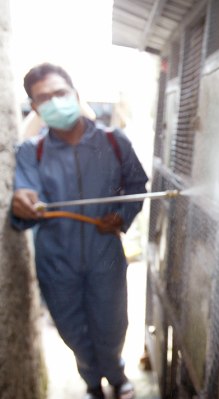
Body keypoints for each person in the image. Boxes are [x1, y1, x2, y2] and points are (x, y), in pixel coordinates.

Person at [10, 63, 148, 399]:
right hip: (57, 261)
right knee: (72, 329)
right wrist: (21, 205)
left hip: (105, 255)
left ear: (75, 94)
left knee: (112, 324)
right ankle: (91, 383)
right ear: (34, 107)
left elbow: (137, 185)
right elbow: (23, 206)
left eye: (60, 92)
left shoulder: (115, 143)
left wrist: (120, 216)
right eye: (43, 98)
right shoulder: (32, 152)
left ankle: (116, 376)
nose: (55, 102)